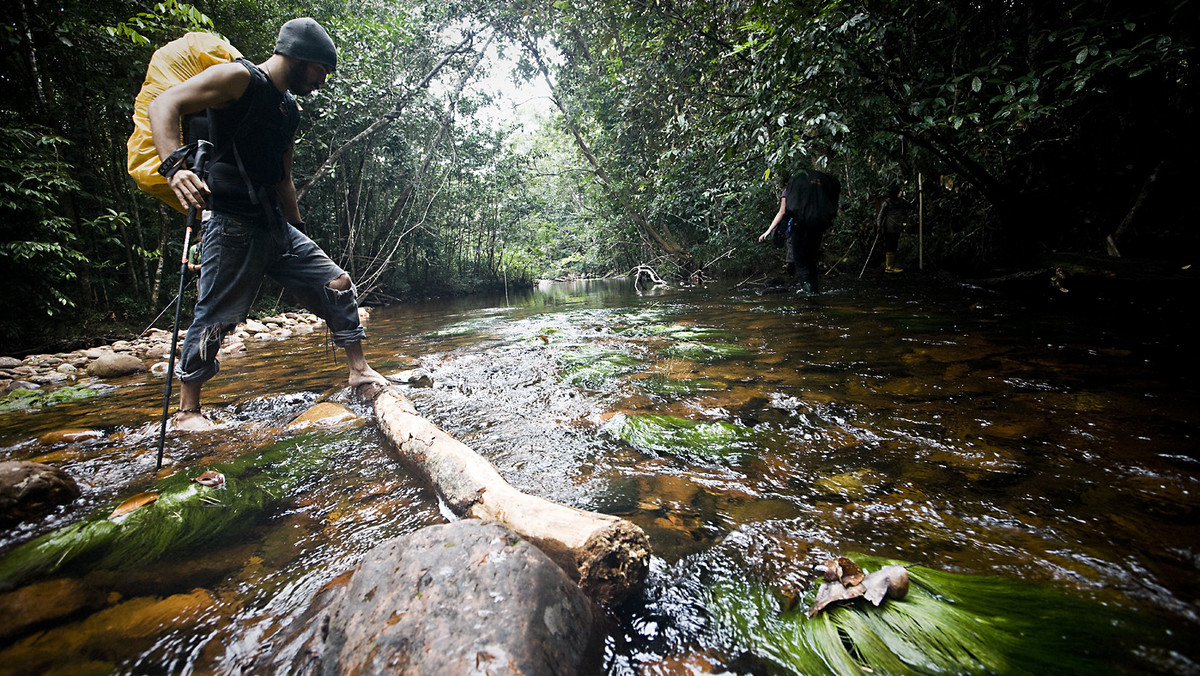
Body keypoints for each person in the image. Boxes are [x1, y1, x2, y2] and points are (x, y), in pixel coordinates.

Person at [150, 17, 386, 430]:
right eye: (320, 70)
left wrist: (295, 226)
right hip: (230, 222)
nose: (322, 81)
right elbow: (163, 104)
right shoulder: (237, 78)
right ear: (299, 57)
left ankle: (359, 370)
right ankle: (188, 411)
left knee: (336, 283)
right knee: (216, 315)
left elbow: (283, 175)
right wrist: (174, 166)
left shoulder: (288, 111)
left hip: (274, 224)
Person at [759, 161, 841, 294]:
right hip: (817, 228)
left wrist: (769, 231)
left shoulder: (790, 191)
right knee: (812, 260)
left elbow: (782, 211)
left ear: (786, 183)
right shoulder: (814, 191)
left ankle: (806, 290)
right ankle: (815, 291)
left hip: (800, 227)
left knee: (800, 261)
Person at [875, 184, 914, 273]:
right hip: (889, 228)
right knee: (890, 246)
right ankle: (889, 267)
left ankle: (892, 265)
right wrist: (879, 226)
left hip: (897, 228)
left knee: (894, 246)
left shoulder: (901, 202)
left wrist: (917, 196)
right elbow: (880, 216)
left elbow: (910, 206)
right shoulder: (886, 203)